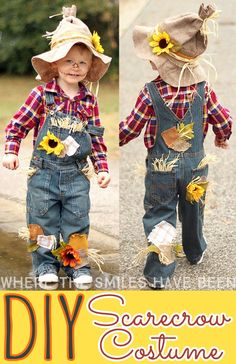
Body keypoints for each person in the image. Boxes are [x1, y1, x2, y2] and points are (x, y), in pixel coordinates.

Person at [119, 4, 232, 289]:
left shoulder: (150, 92)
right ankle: (194, 251)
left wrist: (115, 138)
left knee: (161, 214)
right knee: (194, 209)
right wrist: (222, 136)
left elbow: (131, 127)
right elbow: (223, 118)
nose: (150, 62)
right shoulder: (203, 89)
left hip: (161, 168)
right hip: (196, 166)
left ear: (163, 62)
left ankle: (159, 272)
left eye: (154, 57)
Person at [2, 5, 112, 289]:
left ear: (90, 68)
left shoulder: (90, 101)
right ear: (55, 65)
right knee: (43, 219)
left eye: (82, 63)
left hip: (76, 175)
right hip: (43, 175)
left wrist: (102, 168)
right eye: (68, 61)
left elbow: (96, 138)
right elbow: (18, 124)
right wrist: (11, 149)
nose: (75, 67)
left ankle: (76, 265)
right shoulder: (41, 94)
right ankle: (45, 265)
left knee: (77, 220)